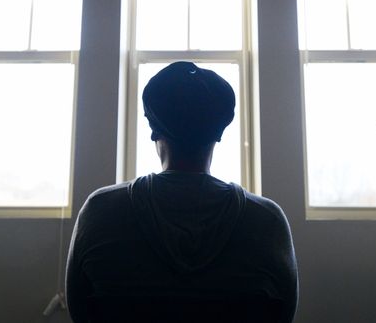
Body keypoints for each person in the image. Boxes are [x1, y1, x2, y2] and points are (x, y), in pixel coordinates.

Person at [65, 61, 298, 322]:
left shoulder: (100, 212)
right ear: (219, 132)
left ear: (154, 131)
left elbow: (80, 312)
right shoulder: (267, 221)